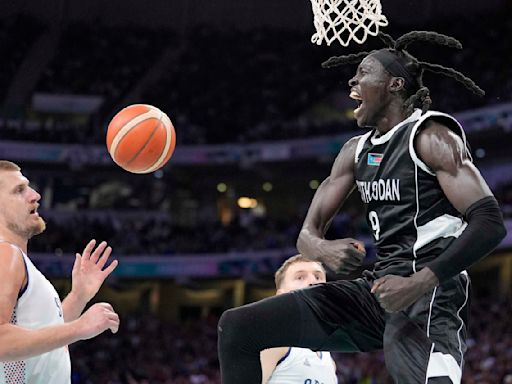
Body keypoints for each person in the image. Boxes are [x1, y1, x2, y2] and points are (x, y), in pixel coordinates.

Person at [218, 31, 507, 384]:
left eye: (365, 72)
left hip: (429, 293)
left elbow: (490, 222)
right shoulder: (353, 152)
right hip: (378, 290)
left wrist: (419, 282)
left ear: (395, 84)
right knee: (239, 328)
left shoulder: (431, 136)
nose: (353, 80)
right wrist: (324, 249)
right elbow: (306, 237)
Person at [0, 160, 120, 383]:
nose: (35, 195)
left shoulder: (20, 262)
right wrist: (79, 327)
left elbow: (42, 333)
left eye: (29, 186)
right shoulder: (5, 254)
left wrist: (78, 297)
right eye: (19, 190)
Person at [260, 254, 337, 384]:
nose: (312, 281)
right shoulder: (272, 343)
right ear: (281, 295)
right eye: (300, 277)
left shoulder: (329, 359)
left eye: (318, 277)